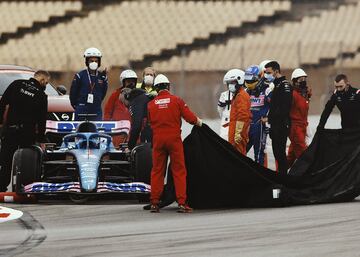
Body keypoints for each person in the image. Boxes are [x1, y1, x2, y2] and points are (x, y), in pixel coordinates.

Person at [147, 74, 202, 213]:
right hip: (174, 140)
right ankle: (182, 203)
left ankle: (154, 202)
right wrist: (199, 123)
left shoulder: (151, 104)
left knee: (157, 171)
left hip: (158, 140)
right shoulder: (176, 100)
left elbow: (149, 122)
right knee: (179, 171)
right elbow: (190, 118)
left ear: (156, 88)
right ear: (168, 86)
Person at [0, 70, 50, 192]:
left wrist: (1, 123)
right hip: (27, 133)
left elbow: (2, 103)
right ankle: (24, 187)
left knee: (5, 161)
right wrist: (40, 138)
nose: (46, 86)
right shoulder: (42, 96)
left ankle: (1, 187)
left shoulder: (16, 84)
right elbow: (41, 121)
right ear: (42, 80)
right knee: (25, 162)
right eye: (46, 83)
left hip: (11, 129)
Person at [264, 61, 293, 175]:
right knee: (277, 152)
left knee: (280, 153)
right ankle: (282, 176)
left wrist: (270, 118)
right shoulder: (275, 85)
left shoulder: (285, 85)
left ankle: (284, 177)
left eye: (269, 72)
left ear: (276, 71)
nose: (267, 75)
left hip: (281, 124)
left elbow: (284, 108)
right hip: (275, 124)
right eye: (266, 72)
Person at [70, 47, 108, 121]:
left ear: (99, 62)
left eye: (96, 61)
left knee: (96, 130)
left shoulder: (102, 77)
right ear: (87, 62)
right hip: (81, 108)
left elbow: (103, 93)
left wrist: (96, 102)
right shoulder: (80, 75)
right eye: (91, 61)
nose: (94, 63)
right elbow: (73, 93)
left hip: (96, 109)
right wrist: (78, 106)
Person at [244, 65, 271, 166]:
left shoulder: (267, 90)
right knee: (241, 152)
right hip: (247, 126)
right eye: (247, 81)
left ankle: (260, 178)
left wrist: (269, 119)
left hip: (259, 125)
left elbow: (276, 106)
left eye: (251, 81)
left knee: (259, 154)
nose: (249, 84)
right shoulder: (246, 92)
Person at [103, 70, 136, 147]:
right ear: (123, 82)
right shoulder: (115, 95)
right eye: (128, 81)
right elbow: (107, 112)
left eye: (133, 82)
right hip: (118, 130)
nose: (131, 84)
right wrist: (107, 127)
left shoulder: (137, 95)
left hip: (132, 130)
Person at [287, 68, 311, 167]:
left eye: (304, 79)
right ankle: (308, 174)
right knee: (303, 154)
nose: (303, 81)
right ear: (295, 81)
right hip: (295, 127)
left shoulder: (304, 94)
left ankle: (281, 172)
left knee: (291, 156)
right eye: (300, 80)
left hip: (303, 126)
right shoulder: (292, 94)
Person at [226, 69, 252, 155]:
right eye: (229, 83)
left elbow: (243, 115)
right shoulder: (237, 95)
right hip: (235, 130)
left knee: (239, 156)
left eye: (232, 82)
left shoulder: (241, 96)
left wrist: (238, 132)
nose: (230, 85)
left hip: (238, 133)